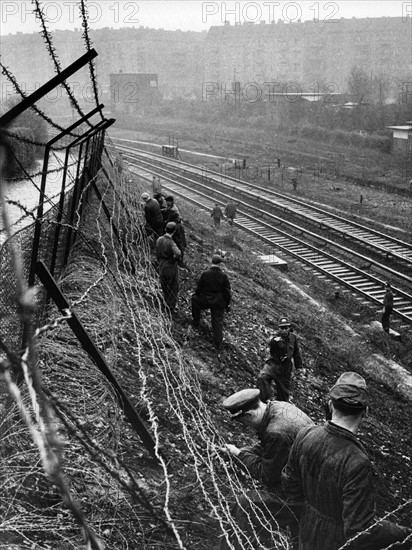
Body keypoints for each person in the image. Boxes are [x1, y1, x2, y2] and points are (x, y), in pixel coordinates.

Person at [282, 372, 411, 550]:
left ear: (330, 405)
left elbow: (290, 485)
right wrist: (403, 533)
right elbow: (360, 530)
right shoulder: (357, 461)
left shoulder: (305, 434)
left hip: (304, 530)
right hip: (335, 542)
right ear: (365, 413)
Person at [219, 389, 313, 550]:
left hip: (302, 494)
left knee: (244, 505)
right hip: (306, 476)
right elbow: (267, 448)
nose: (246, 427)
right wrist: (241, 452)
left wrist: (239, 455)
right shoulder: (277, 408)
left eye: (243, 422)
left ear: (249, 415)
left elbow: (267, 475)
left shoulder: (277, 432)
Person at [256, 317, 303, 403]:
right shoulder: (275, 336)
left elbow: (296, 353)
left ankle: (280, 409)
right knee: (262, 377)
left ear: (289, 328)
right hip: (273, 365)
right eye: (282, 328)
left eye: (286, 328)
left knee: (283, 395)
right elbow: (269, 341)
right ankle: (263, 400)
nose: (284, 330)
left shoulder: (293, 338)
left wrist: (299, 367)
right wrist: (274, 340)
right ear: (279, 328)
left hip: (285, 368)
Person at [191, 254, 231, 351]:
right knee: (217, 322)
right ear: (220, 264)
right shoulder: (223, 276)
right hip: (218, 302)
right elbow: (227, 291)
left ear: (211, 262)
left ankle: (196, 322)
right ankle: (218, 344)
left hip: (205, 300)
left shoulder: (205, 274)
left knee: (194, 300)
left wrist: (196, 294)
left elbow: (199, 288)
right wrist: (227, 303)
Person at [156, 222, 181, 313]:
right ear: (174, 231)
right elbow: (178, 253)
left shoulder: (159, 239)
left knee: (164, 284)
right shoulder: (171, 242)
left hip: (161, 264)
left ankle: (165, 302)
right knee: (173, 286)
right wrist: (173, 259)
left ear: (165, 229)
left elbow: (157, 251)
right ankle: (171, 307)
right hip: (170, 265)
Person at [164, 195, 187, 265]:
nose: (167, 203)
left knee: (178, 242)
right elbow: (166, 210)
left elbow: (169, 219)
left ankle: (180, 260)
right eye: (166, 202)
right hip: (176, 225)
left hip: (177, 227)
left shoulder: (173, 209)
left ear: (171, 201)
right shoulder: (171, 207)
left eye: (168, 202)